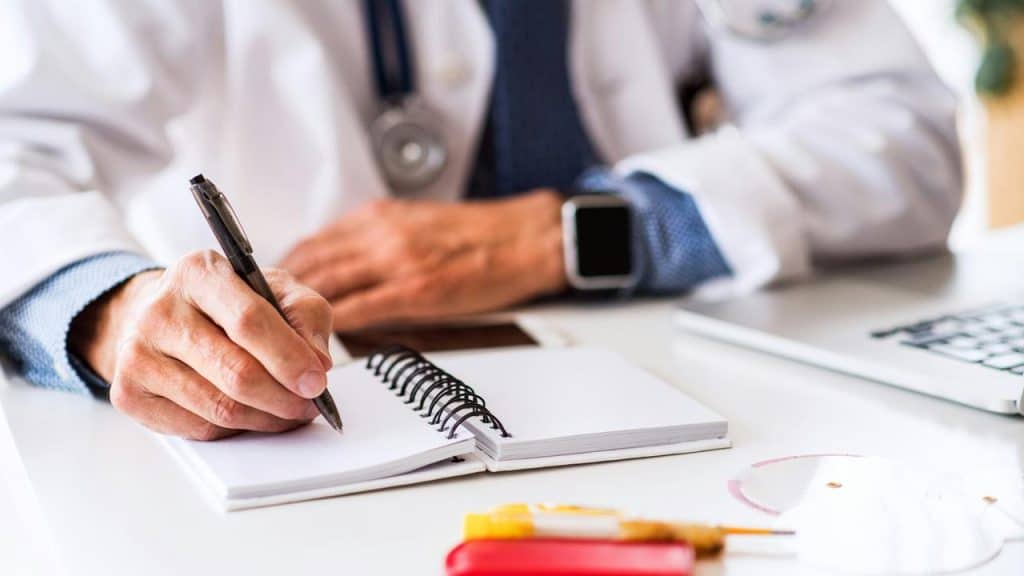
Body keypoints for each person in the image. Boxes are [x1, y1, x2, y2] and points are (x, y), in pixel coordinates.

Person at [0, 0, 961, 440]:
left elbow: (901, 138)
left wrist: (570, 234)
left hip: (686, 395)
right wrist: (111, 311)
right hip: (300, 423)